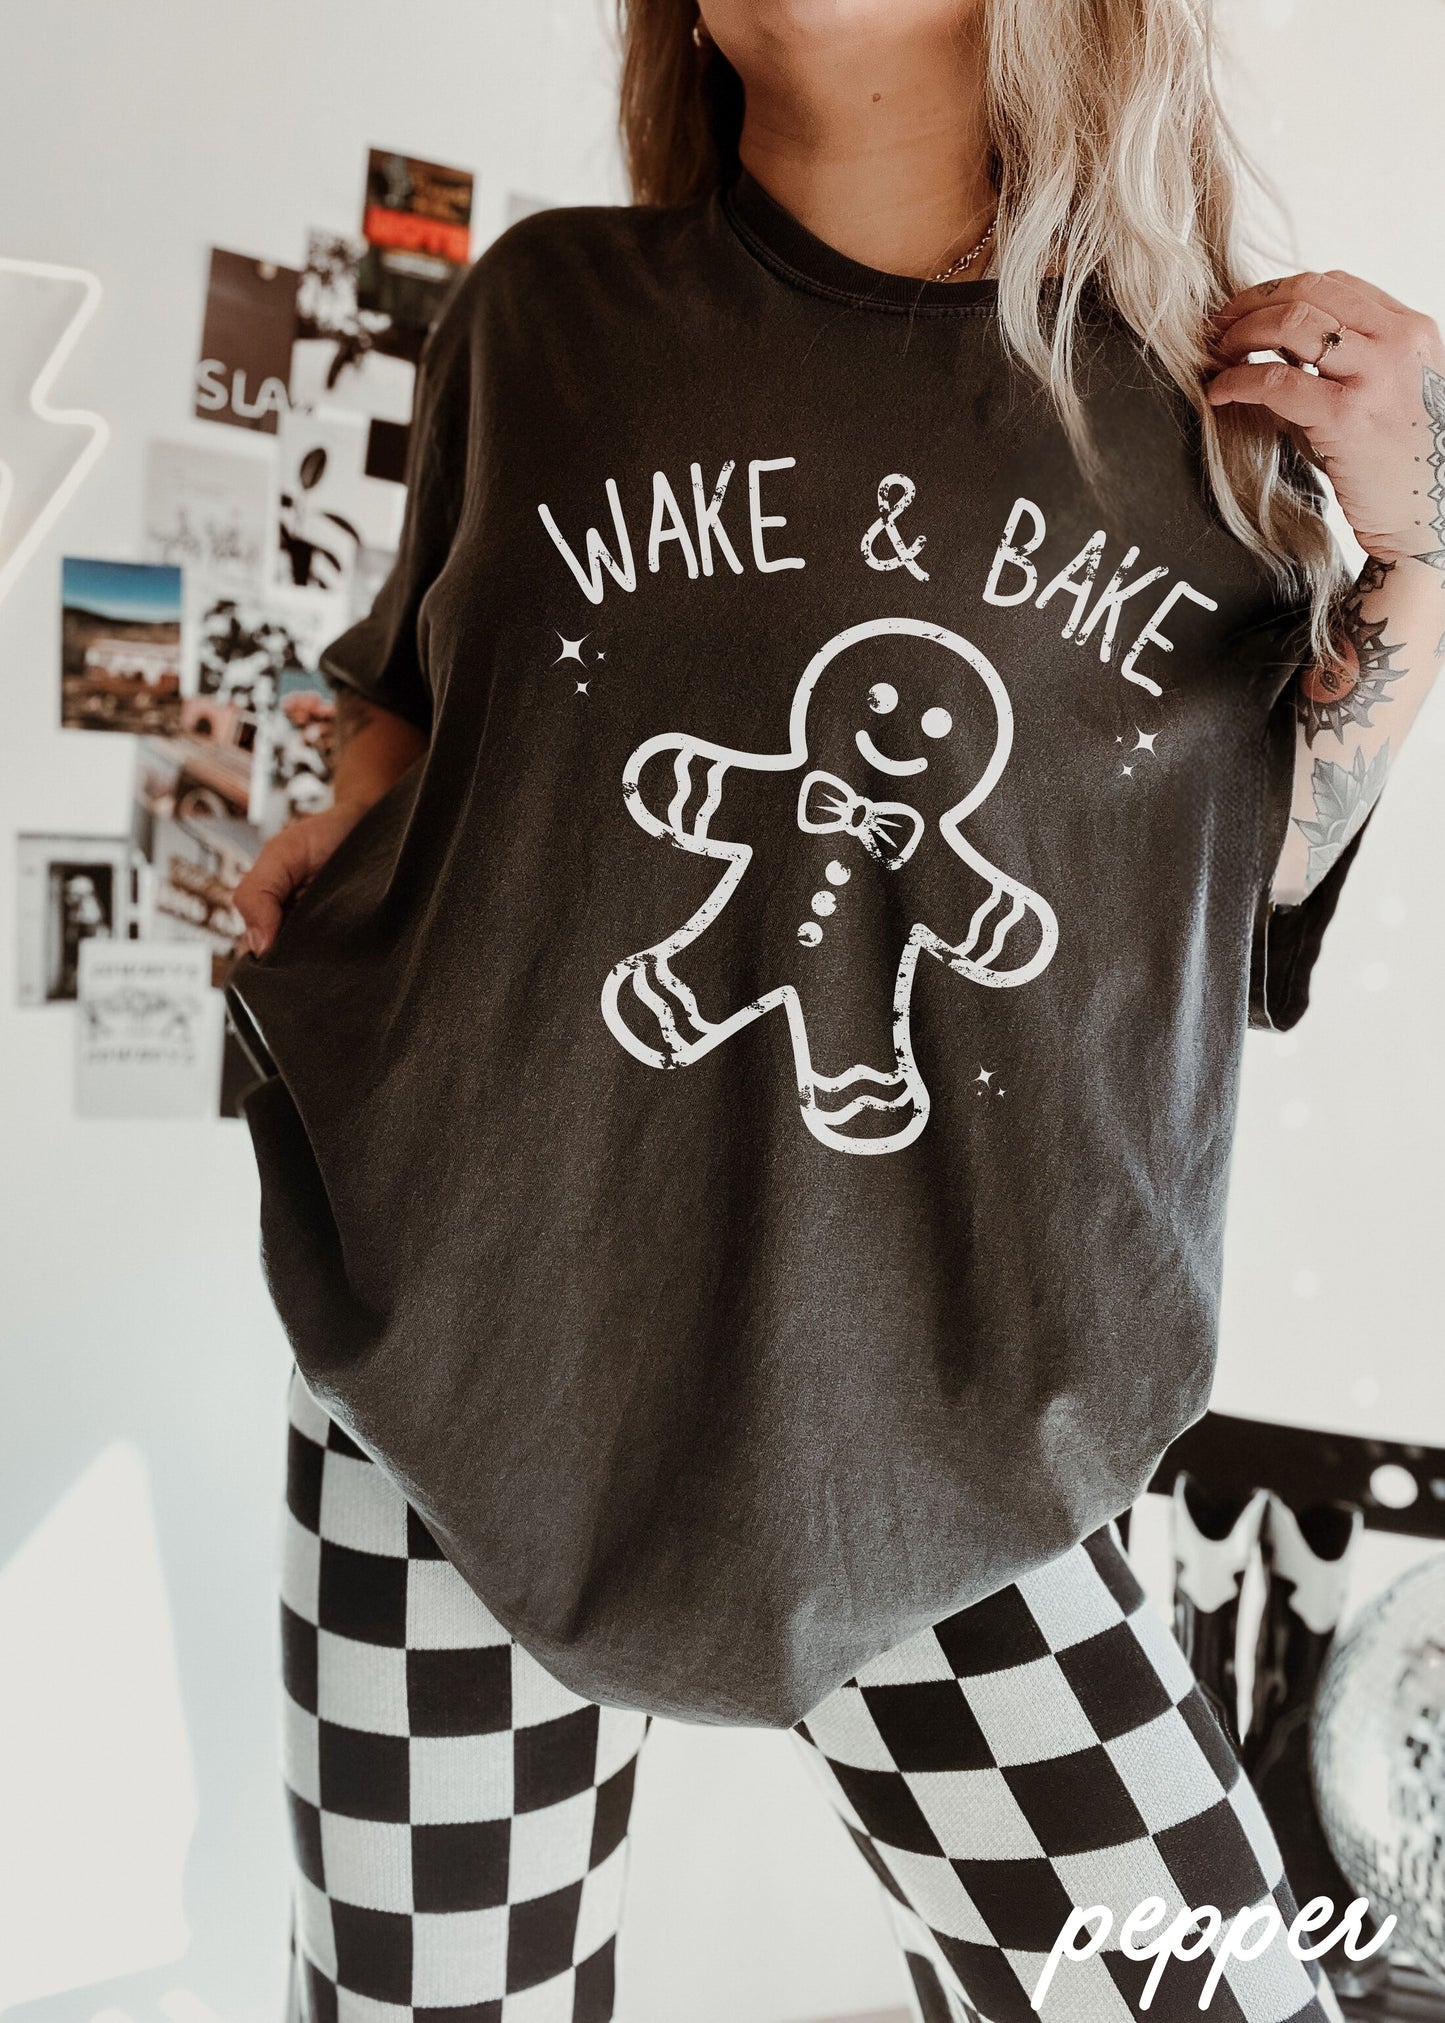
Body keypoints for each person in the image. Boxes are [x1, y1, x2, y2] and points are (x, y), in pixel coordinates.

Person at [229, 2, 1445, 2017]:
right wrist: (345, 845)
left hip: (960, 1420)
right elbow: (420, 712)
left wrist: (1421, 542)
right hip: (468, 1358)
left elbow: (1245, 878)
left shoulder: (1206, 412)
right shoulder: (546, 316)